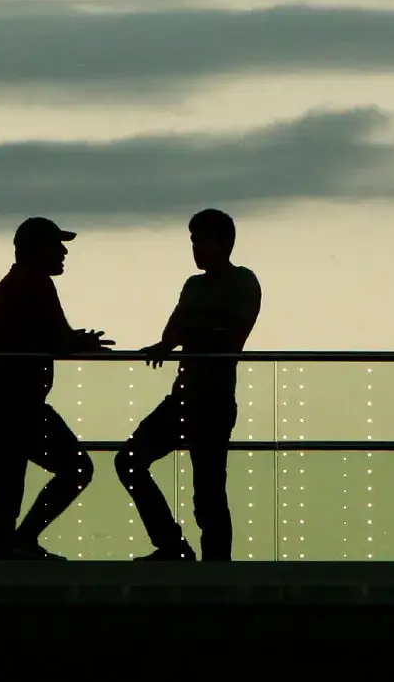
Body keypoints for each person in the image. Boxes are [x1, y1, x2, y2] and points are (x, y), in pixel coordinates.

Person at [116, 209, 261, 561]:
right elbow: (174, 334)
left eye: (201, 241)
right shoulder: (194, 286)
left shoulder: (243, 281)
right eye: (193, 241)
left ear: (224, 243)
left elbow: (229, 336)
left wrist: (191, 331)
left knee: (208, 493)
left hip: (213, 402)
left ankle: (212, 568)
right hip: (185, 398)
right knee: (130, 461)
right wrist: (190, 333)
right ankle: (173, 546)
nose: (195, 249)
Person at [0, 216, 113, 561]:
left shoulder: (17, 284)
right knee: (73, 469)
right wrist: (79, 344)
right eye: (55, 245)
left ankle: (6, 555)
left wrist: (73, 341)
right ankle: (17, 545)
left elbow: (47, 337)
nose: (63, 252)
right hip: (12, 407)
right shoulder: (35, 284)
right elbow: (58, 341)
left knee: (5, 488)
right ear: (35, 250)